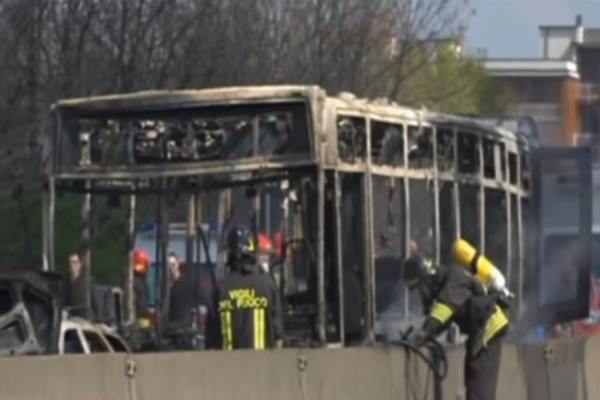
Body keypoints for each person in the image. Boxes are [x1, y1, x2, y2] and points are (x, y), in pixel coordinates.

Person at [404, 240, 510, 400]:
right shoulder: (448, 282)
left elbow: (443, 312)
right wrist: (426, 335)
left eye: (418, 289)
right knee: (472, 379)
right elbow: (444, 318)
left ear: (425, 280)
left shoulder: (452, 280)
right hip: (481, 330)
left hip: (489, 327)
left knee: (479, 387)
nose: (419, 295)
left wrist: (421, 336)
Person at [218, 226, 283, 350]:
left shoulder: (222, 287)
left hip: (227, 365)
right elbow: (277, 332)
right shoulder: (267, 284)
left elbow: (212, 336)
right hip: (262, 365)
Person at [165, 252, 208, 348]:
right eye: (168, 266)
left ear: (178, 264)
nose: (170, 268)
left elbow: (203, 300)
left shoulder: (188, 283)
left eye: (173, 264)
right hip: (168, 330)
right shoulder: (163, 286)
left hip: (185, 330)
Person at [132, 249, 151, 329]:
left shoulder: (139, 282)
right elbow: (143, 307)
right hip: (138, 321)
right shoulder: (140, 283)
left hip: (139, 319)